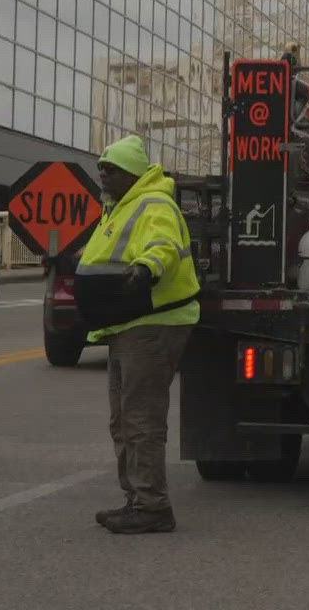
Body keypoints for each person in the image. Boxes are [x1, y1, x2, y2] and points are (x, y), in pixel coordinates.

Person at [79, 135, 200, 534]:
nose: (102, 174)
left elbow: (164, 246)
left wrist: (146, 268)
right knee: (123, 419)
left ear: (131, 172)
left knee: (141, 419)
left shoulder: (154, 204)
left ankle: (152, 507)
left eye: (110, 168)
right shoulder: (117, 209)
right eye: (101, 167)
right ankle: (137, 500)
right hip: (125, 324)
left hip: (152, 323)